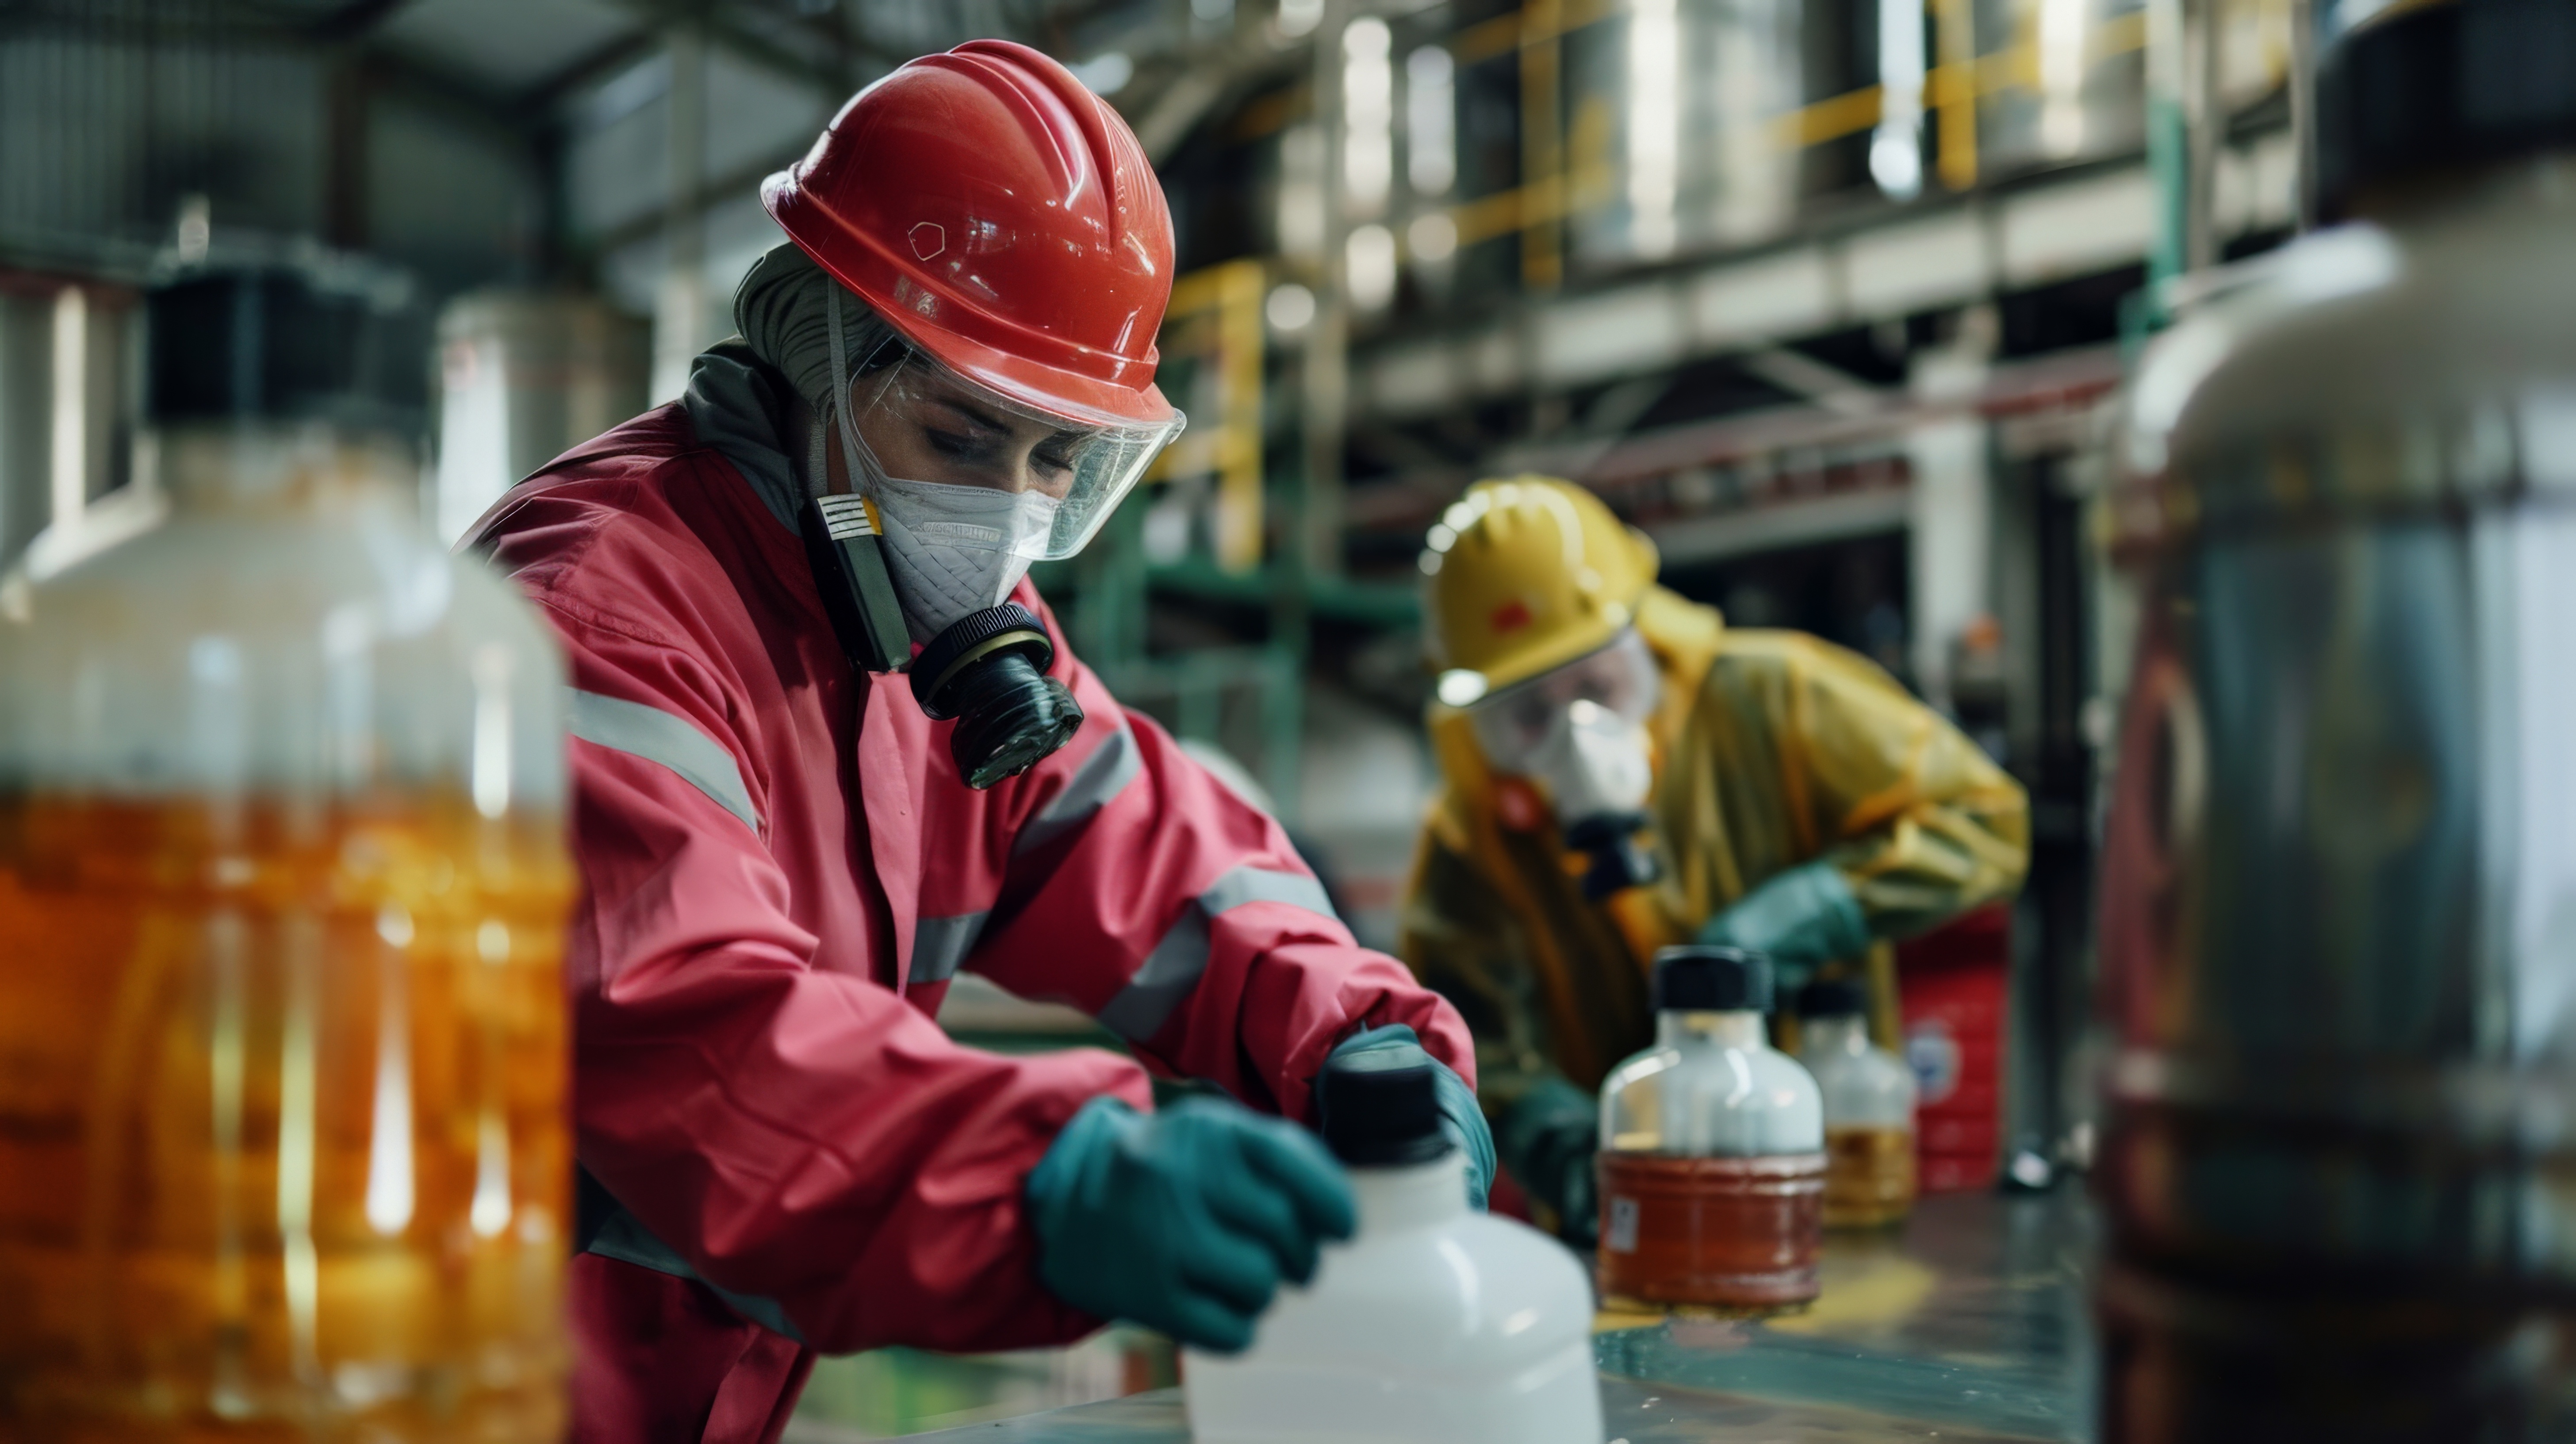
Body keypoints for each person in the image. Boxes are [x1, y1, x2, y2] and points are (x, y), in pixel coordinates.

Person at [467, 42, 1492, 1444]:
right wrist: (1055, 1179)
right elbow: (695, 1037)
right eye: (960, 433)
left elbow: (1176, 866)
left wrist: (1371, 1044)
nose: (1007, 518)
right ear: (820, 349)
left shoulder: (924, 628)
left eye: (1057, 463)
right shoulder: (595, 620)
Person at [1397, 475, 2026, 1241]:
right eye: (1528, 715)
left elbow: (1985, 819)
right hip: (1627, 1222)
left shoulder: (1778, 698)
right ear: (1476, 721)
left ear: (1643, 637)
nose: (1575, 740)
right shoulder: (1472, 832)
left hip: (1827, 1187)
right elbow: (1462, 1036)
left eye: (1598, 686)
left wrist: (1807, 916)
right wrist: (1555, 1138)